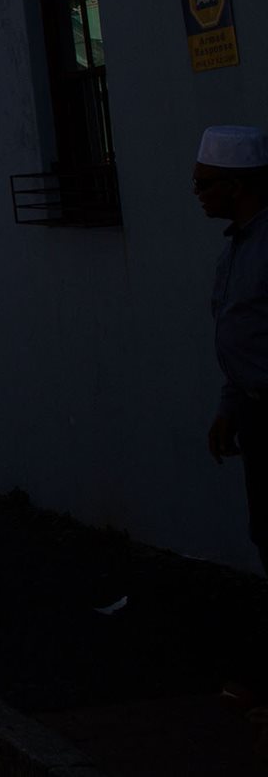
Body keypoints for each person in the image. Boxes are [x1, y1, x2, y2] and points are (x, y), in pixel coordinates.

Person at [199, 125, 268, 572]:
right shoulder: (237, 246)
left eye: (204, 183)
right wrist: (230, 407)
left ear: (236, 185)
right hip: (253, 412)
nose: (196, 193)